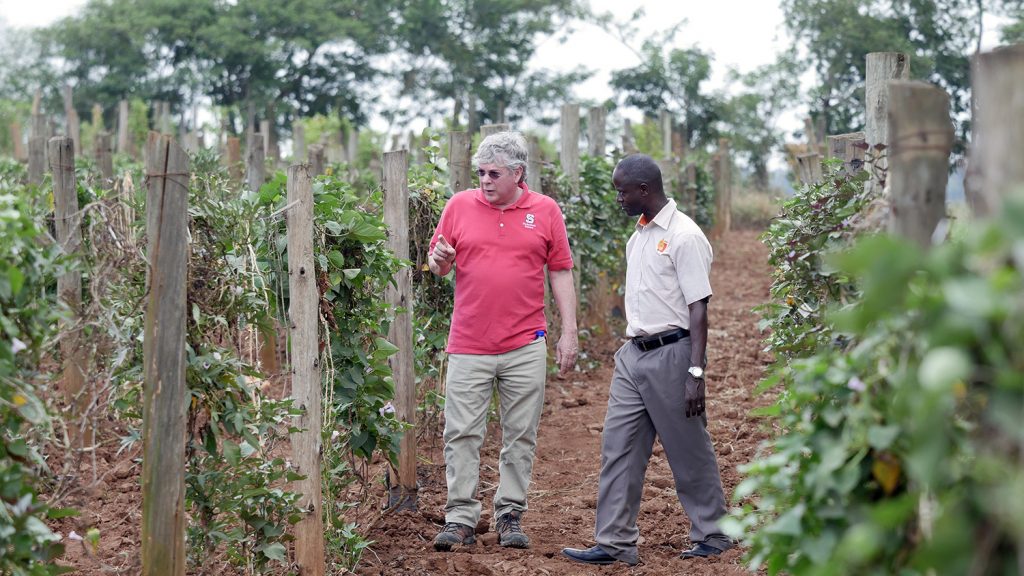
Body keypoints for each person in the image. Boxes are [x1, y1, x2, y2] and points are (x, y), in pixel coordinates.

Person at [562, 153, 732, 566]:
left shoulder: (684, 236)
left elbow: (699, 308)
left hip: (673, 354)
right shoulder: (638, 235)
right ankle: (615, 541)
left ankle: (713, 532)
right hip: (632, 356)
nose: (617, 198)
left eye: (622, 191)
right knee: (618, 447)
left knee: (687, 447)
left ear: (644, 190)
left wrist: (696, 371)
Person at [427, 131, 578, 551]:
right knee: (460, 433)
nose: (485, 181)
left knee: (520, 433)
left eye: (494, 173)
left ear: (518, 173)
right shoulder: (459, 206)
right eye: (480, 172)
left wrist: (569, 330)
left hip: (525, 343)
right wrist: (438, 261)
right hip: (469, 342)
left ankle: (509, 514)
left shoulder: (545, 211)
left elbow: (560, 270)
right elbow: (437, 261)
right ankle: (460, 517)